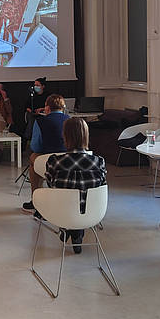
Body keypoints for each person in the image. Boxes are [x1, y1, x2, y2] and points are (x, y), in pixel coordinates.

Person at [45, 118, 107, 253]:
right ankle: (77, 232)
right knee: (82, 197)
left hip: (61, 212)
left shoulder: (54, 161)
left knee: (66, 198)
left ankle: (68, 228)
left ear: (65, 136)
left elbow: (50, 184)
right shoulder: (99, 162)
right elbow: (101, 187)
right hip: (91, 213)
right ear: (86, 136)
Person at [22, 94, 70, 212]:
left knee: (33, 158)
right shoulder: (70, 120)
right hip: (69, 159)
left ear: (47, 108)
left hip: (50, 159)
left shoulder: (40, 121)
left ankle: (36, 200)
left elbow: (36, 146)